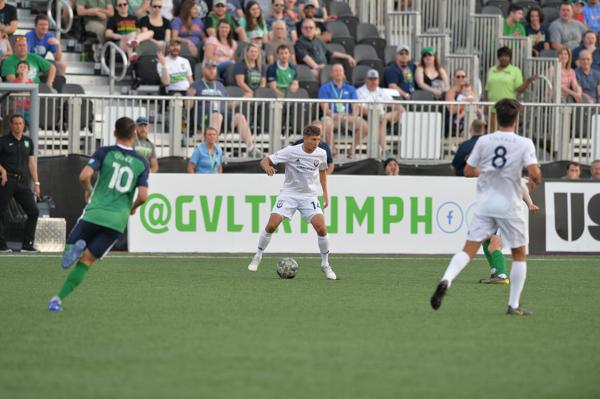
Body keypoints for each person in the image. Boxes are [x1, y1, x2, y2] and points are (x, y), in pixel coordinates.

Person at [430, 99, 542, 316]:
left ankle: (447, 279)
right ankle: (513, 305)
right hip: (509, 203)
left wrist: (489, 172)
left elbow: (468, 171)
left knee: (468, 249)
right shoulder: (524, 143)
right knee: (519, 254)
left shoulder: (484, 141)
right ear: (516, 118)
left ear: (496, 118)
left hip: (485, 203)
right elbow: (535, 174)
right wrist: (535, 181)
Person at [48, 117, 149, 312]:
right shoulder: (142, 162)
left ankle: (72, 248)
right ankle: (56, 300)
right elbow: (144, 196)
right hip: (116, 220)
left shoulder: (105, 152)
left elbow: (84, 176)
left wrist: (88, 190)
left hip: (95, 212)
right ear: (135, 134)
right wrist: (132, 207)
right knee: (86, 262)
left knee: (71, 245)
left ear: (114, 133)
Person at [247, 124, 337, 280]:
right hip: (289, 194)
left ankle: (325, 264)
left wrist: (325, 193)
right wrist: (267, 167)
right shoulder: (291, 151)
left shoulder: (321, 153)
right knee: (272, 225)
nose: (316, 143)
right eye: (313, 139)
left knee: (322, 229)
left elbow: (322, 172)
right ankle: (258, 256)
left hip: (309, 196)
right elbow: (264, 161)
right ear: (305, 138)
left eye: (318, 139)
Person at [187, 59, 260, 156]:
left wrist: (243, 99)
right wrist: (190, 97)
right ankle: (213, 149)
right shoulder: (195, 85)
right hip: (204, 119)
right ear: (203, 70)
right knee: (217, 116)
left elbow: (229, 105)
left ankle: (251, 148)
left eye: (214, 68)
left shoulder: (220, 85)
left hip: (222, 116)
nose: (212, 71)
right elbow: (188, 107)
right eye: (209, 68)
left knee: (239, 117)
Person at [0, 114, 40, 253]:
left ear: (24, 125)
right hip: (6, 181)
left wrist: (36, 182)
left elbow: (31, 163)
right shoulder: (3, 141)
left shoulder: (28, 142)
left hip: (22, 182)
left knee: (34, 211)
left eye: (21, 123)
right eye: (16, 123)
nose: (18, 126)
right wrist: (2, 170)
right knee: (1, 212)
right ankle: (1, 245)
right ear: (11, 125)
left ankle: (27, 245)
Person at [318, 63, 368, 157]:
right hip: (332, 116)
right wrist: (334, 115)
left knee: (364, 126)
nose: (338, 73)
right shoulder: (325, 88)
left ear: (344, 73)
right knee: (326, 124)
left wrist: (353, 117)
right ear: (332, 73)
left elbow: (355, 106)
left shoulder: (350, 88)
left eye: (340, 70)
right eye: (336, 71)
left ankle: (351, 150)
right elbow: (324, 107)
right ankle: (333, 150)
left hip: (347, 117)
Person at [485, 46, 536, 131]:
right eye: (501, 56)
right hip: (493, 109)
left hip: (508, 110)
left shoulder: (515, 71)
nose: (504, 58)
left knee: (508, 134)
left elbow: (520, 89)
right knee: (494, 134)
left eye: (506, 56)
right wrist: (485, 105)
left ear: (510, 58)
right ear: (498, 57)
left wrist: (528, 81)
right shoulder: (491, 70)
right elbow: (487, 89)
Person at [357, 69, 403, 157]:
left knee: (397, 112)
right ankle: (385, 149)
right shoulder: (360, 91)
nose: (373, 81)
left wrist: (401, 107)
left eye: (375, 79)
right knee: (382, 119)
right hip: (368, 118)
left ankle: (385, 149)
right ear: (366, 80)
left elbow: (392, 103)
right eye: (371, 79)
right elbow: (360, 108)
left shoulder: (381, 91)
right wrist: (375, 115)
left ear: (378, 80)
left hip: (384, 117)